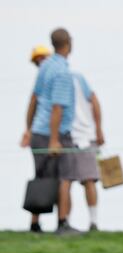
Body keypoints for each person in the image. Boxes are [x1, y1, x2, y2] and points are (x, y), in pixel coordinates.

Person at [22, 28, 79, 235]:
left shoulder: (45, 67)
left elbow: (34, 99)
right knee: (65, 177)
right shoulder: (62, 71)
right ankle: (62, 223)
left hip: (38, 131)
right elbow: (57, 108)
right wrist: (55, 140)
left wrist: (28, 130)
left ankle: (34, 224)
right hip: (55, 134)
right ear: (69, 43)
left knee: (41, 177)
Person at [65, 71, 105, 231]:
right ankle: (65, 222)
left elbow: (94, 100)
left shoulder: (77, 78)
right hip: (65, 138)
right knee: (65, 182)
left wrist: (98, 130)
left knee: (89, 180)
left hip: (85, 137)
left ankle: (93, 222)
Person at [20, 44, 52, 232]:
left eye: (43, 58)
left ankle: (61, 221)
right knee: (41, 176)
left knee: (57, 177)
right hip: (41, 135)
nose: (41, 62)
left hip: (52, 134)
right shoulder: (41, 82)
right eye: (38, 60)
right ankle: (35, 222)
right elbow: (32, 105)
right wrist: (28, 131)